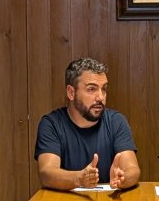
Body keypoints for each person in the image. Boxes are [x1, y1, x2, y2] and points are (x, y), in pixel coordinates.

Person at [34, 57, 140, 191]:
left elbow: (133, 170)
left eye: (104, 89)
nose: (100, 97)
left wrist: (123, 179)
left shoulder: (116, 121)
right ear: (71, 93)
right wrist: (79, 179)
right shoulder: (52, 124)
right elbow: (46, 173)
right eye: (91, 89)